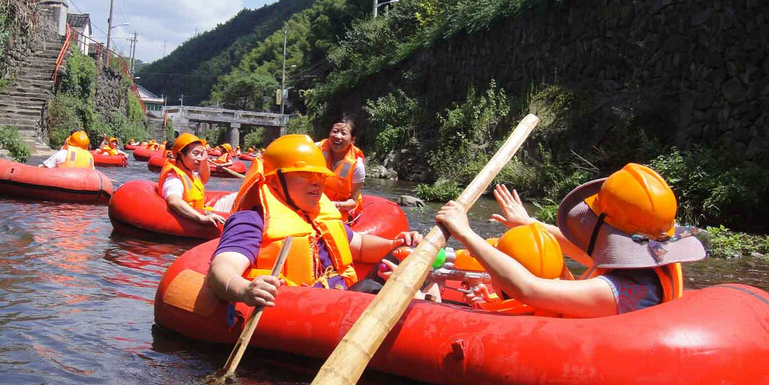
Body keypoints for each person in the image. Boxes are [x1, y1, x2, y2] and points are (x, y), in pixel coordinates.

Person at [435, 163, 706, 317]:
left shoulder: (615, 291)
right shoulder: (656, 261)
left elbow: (527, 289)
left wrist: (465, 233)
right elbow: (586, 252)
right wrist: (531, 224)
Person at [205, 134, 422, 307]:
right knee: (368, 288)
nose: (317, 183)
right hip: (304, 308)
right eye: (306, 175)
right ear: (274, 182)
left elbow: (360, 245)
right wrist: (244, 289)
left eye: (320, 176)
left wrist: (395, 244)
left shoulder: (319, 216)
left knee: (401, 257)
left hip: (342, 299)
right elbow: (222, 268)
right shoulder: (252, 221)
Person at [158, 133, 224, 230]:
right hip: (197, 216)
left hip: (202, 208)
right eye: (195, 154)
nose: (200, 158)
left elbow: (204, 178)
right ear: (181, 155)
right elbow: (174, 201)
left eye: (201, 154)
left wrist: (204, 159)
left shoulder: (191, 173)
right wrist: (201, 218)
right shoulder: (174, 179)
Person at [316, 116, 365, 221]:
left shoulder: (357, 165)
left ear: (352, 140)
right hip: (312, 205)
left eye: (343, 133)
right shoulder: (315, 150)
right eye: (335, 131)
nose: (338, 136)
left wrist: (334, 205)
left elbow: (353, 201)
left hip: (338, 211)